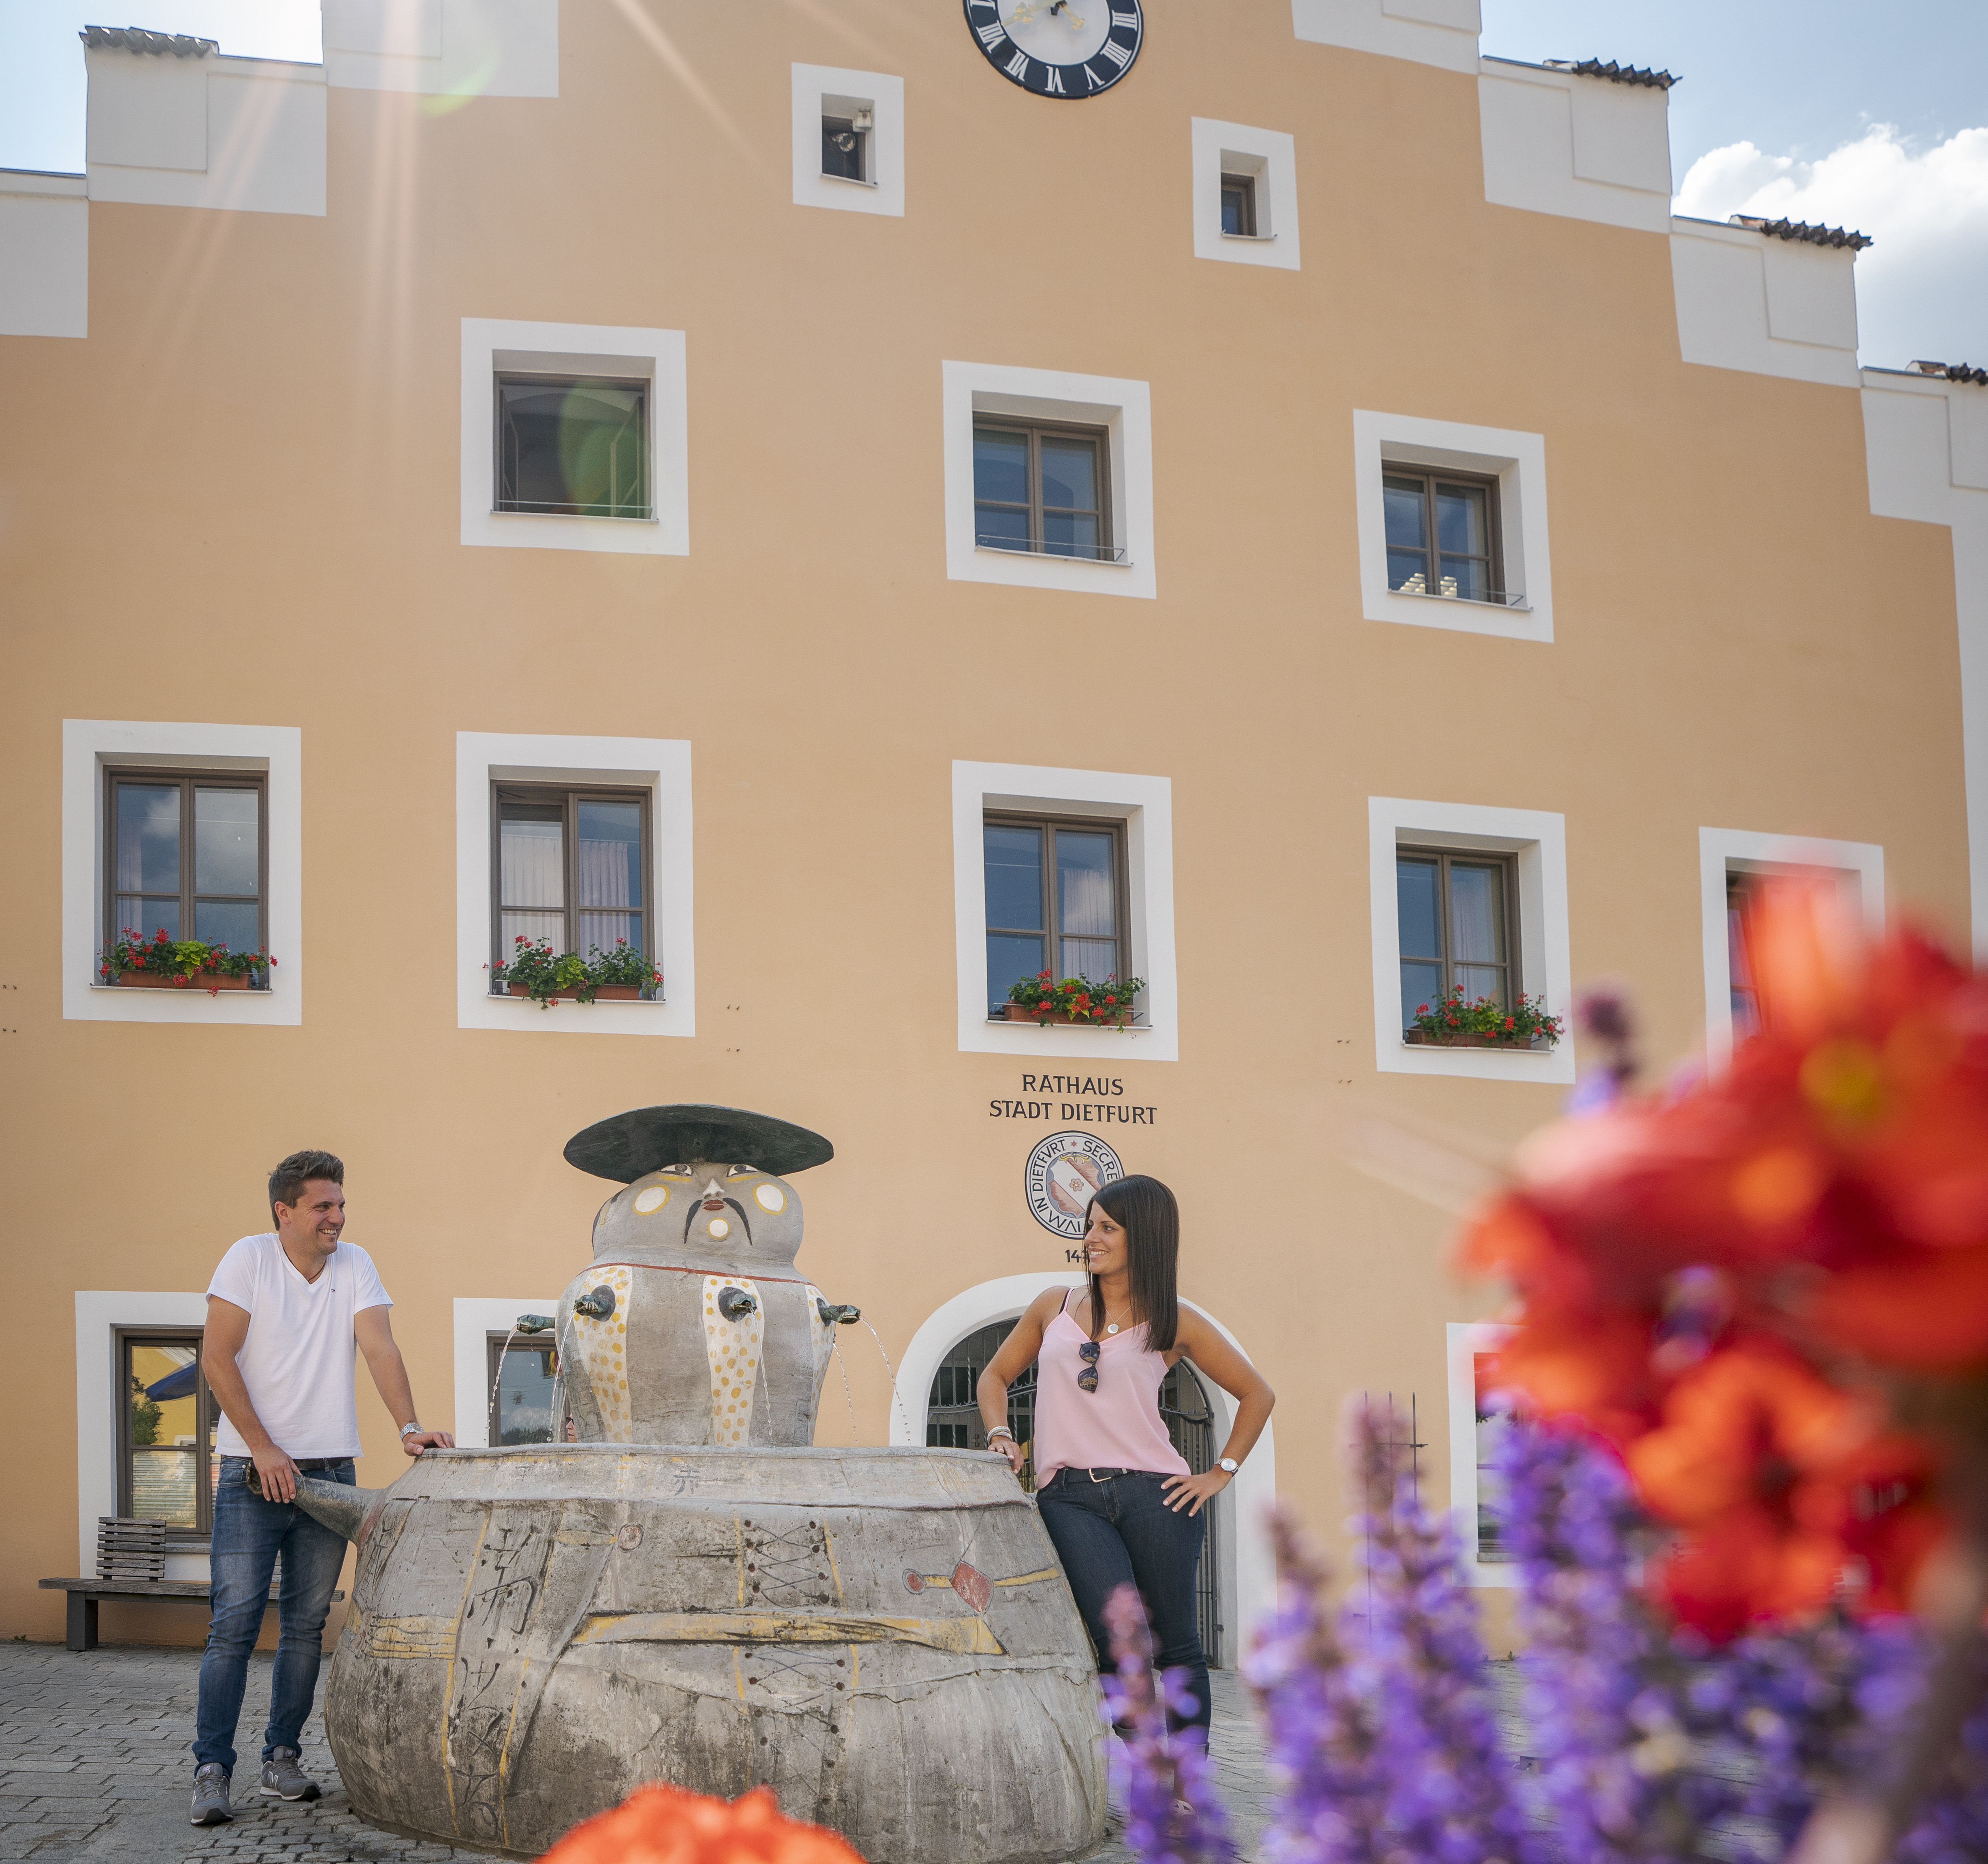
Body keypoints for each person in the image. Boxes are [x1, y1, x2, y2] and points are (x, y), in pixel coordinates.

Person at [190, 1150, 454, 1828]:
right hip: (253, 1472)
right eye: (323, 1205)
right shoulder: (247, 1259)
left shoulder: (353, 1263)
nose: (338, 1215)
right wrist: (264, 1445)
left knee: (306, 1627)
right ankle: (212, 1767)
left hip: (329, 1473)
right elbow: (215, 1357)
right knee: (234, 1627)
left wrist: (410, 1425)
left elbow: (380, 1347)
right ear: (285, 1210)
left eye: (340, 1204)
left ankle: (281, 1757)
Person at [977, 1174, 1274, 1740]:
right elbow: (994, 1375)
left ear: (1144, 1236)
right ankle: (1147, 1775)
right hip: (1069, 1499)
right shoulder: (1053, 1307)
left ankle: (1186, 1789)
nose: (1090, 1236)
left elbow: (1257, 1393)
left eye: (1107, 1227)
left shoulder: (1172, 1320)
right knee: (1116, 1642)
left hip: (1156, 1494)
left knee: (1178, 1645)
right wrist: (998, 1430)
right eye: (1089, 1224)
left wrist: (1220, 1473)